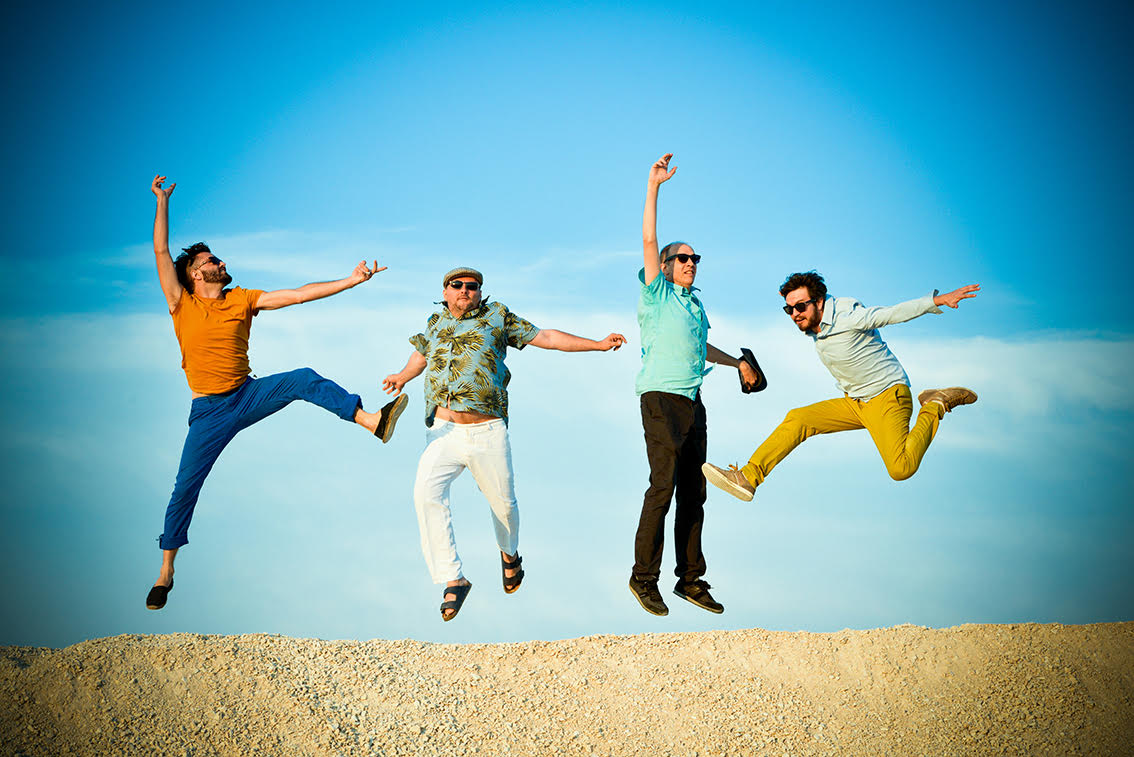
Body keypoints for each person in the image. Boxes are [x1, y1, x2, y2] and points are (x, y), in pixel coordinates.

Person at [145, 175, 408, 610]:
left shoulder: (242, 299)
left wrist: (350, 281)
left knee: (302, 378)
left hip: (246, 395)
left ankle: (371, 421)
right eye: (212, 260)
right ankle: (165, 571)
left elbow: (299, 295)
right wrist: (161, 202)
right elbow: (160, 252)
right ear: (194, 273)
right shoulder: (181, 302)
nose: (221, 262)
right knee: (185, 486)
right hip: (208, 411)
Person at [382, 266, 626, 621]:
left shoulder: (498, 317)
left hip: (487, 430)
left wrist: (597, 344)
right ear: (445, 291)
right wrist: (403, 376)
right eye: (458, 285)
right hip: (443, 431)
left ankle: (509, 554)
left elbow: (547, 337)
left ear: (480, 292)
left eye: (473, 286)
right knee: (425, 495)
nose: (465, 290)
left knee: (504, 506)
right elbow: (421, 353)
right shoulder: (435, 322)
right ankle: (453, 578)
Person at [703, 270, 979, 501]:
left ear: (819, 301)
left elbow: (892, 314)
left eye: (800, 307)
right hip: (856, 403)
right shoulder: (815, 324)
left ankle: (935, 404)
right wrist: (791, 295)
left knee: (901, 469)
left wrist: (938, 300)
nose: (795, 314)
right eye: (789, 309)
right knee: (798, 419)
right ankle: (748, 477)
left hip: (888, 397)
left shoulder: (847, 315)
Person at [629, 154, 761, 618]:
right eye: (682, 258)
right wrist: (654, 186)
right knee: (662, 486)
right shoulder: (657, 293)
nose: (690, 264)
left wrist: (737, 364)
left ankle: (690, 580)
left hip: (692, 402)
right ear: (665, 267)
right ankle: (643, 578)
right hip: (659, 399)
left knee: (694, 491)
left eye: (695, 259)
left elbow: (701, 347)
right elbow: (649, 239)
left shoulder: (695, 306)